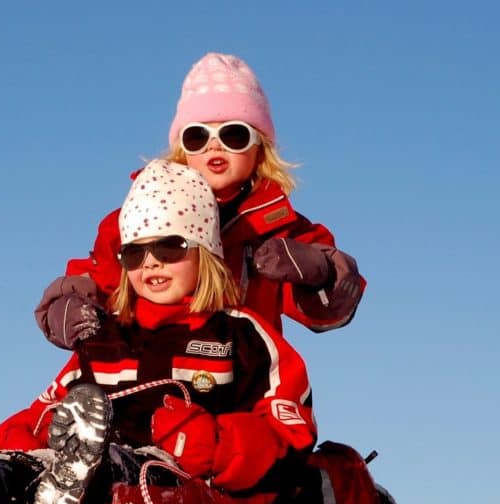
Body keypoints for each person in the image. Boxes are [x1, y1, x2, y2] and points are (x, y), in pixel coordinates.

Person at [0, 160, 401, 504]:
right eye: (135, 252)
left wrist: (214, 442)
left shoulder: (241, 335)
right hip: (82, 463)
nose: (151, 262)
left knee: (128, 475)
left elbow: (289, 434)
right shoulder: (107, 338)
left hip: (180, 475)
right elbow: (44, 409)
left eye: (171, 247)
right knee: (26, 471)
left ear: (205, 254)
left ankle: (75, 486)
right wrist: (29, 437)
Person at [35, 52, 365, 352]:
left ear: (260, 147)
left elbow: (328, 312)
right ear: (183, 148)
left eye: (234, 134)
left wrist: (319, 271)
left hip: (244, 376)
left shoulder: (281, 229)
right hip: (152, 369)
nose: (214, 146)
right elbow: (100, 277)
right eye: (198, 136)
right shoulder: (141, 218)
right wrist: (69, 305)